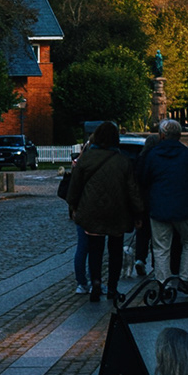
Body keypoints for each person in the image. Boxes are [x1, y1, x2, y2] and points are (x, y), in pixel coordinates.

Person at [57, 121, 143, 301]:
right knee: (115, 251)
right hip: (117, 211)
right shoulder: (123, 161)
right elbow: (132, 190)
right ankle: (112, 287)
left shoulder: (86, 160)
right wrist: (138, 212)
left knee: (95, 249)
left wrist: (74, 207)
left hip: (92, 211)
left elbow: (75, 188)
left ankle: (95, 281)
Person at [139, 118, 188, 281]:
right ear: (179, 135)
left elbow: (143, 179)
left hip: (159, 206)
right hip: (185, 206)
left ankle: (164, 282)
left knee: (161, 247)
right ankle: (184, 278)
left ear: (162, 135)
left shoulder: (152, 155)